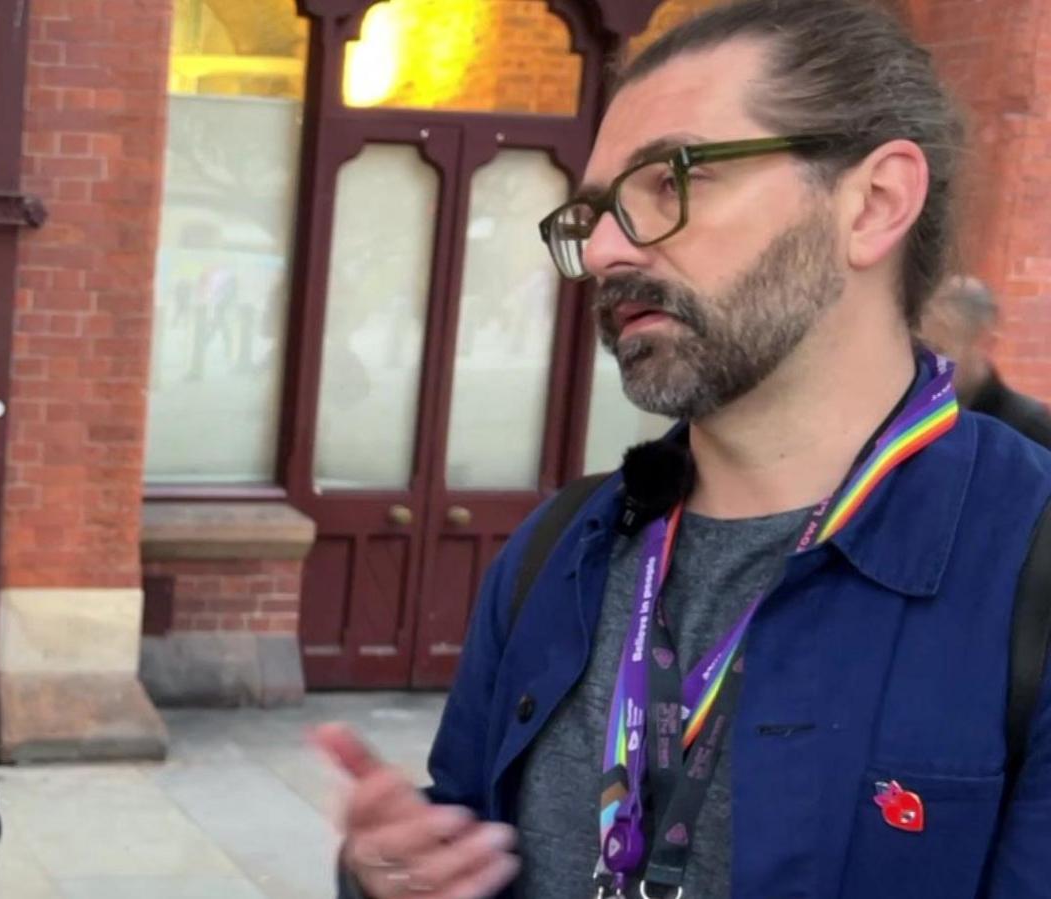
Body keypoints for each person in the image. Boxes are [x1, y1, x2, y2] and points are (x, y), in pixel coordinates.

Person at [314, 1, 1051, 897]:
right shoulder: (559, 550)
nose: (607, 250)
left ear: (875, 202)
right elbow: (464, 824)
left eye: (671, 180)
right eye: (592, 214)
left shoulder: (1026, 564)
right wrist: (392, 874)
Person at [921, 275, 1051, 448]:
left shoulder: (1026, 429)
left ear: (984, 341)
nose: (930, 365)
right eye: (923, 350)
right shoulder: (921, 421)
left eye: (940, 349)